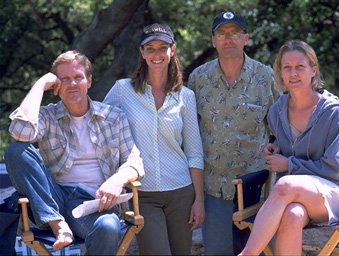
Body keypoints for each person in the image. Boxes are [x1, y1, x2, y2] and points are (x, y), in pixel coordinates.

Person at [4, 50, 144, 255]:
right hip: (53, 198)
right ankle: (57, 224)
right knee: (17, 150)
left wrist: (117, 180)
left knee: (108, 227)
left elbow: (135, 161)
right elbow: (20, 132)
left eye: (78, 77)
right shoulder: (47, 115)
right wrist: (40, 84)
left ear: (89, 81)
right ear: (56, 87)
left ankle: (61, 224)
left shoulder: (114, 117)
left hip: (96, 203)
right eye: (65, 79)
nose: (72, 83)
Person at [239, 39, 339, 255]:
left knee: (284, 184)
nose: (293, 73)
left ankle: (247, 253)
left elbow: (337, 168)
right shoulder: (276, 112)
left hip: (334, 194)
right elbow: (288, 143)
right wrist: (275, 146)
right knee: (292, 215)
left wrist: (288, 163)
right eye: (287, 67)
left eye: (300, 67)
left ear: (313, 70)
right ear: (280, 73)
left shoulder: (334, 112)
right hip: (294, 197)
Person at [103, 23, 204, 255]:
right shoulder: (122, 90)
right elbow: (98, 124)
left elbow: (194, 152)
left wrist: (199, 200)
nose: (156, 54)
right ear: (142, 52)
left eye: (162, 47)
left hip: (181, 191)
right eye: (150, 48)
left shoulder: (185, 97)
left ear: (172, 50)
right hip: (142, 193)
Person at [187, 10, 281, 255]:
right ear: (213, 40)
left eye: (235, 33)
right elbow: (189, 133)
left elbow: (280, 129)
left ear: (246, 38)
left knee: (258, 252)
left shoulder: (265, 77)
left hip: (256, 187)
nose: (228, 39)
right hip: (213, 187)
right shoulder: (198, 79)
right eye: (222, 33)